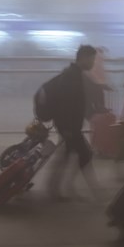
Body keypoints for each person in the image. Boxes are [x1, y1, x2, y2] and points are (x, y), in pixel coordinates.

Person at [46, 45, 101, 201]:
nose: (93, 63)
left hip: (69, 125)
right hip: (68, 126)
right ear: (83, 58)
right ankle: (93, 191)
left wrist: (90, 114)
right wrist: (68, 128)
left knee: (67, 154)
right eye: (92, 59)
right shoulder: (72, 77)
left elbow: (78, 102)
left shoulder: (74, 74)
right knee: (85, 154)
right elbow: (66, 105)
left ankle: (56, 188)